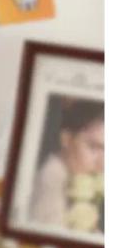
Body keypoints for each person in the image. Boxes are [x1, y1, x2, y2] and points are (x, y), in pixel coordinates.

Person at [29, 97, 104, 232]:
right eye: (93, 147)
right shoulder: (49, 189)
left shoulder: (73, 177)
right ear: (66, 139)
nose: (102, 163)